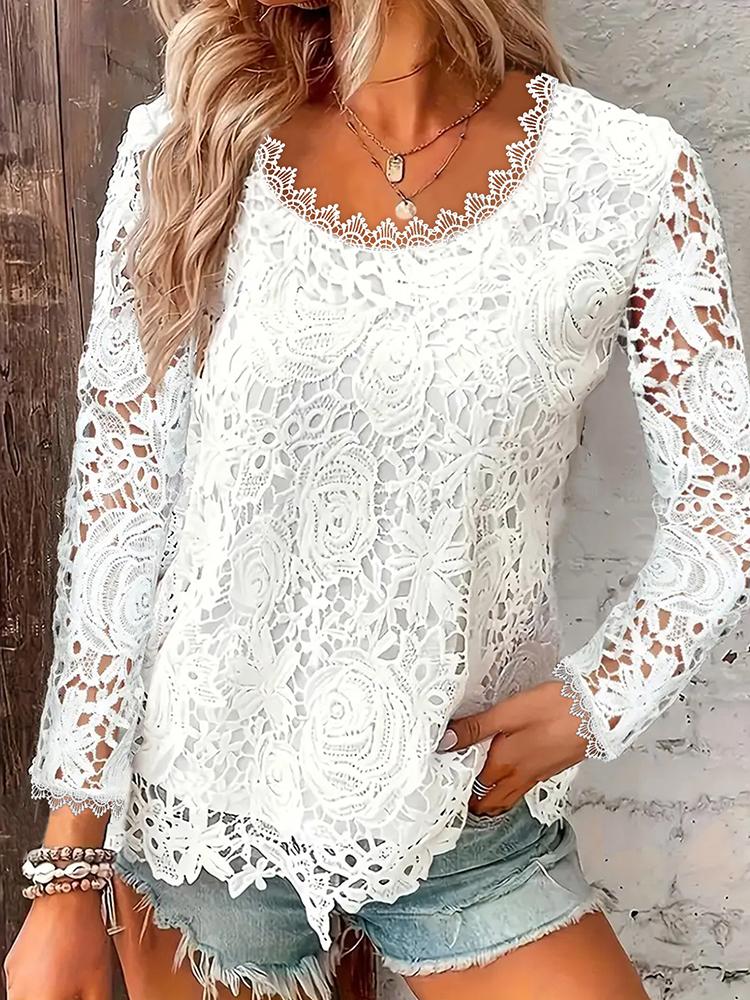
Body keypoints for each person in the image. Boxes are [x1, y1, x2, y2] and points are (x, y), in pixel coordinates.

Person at [6, 0, 750, 998]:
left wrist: (598, 701)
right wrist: (67, 875)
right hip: (204, 826)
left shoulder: (626, 175)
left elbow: (723, 508)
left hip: (464, 813)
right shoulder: (191, 144)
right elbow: (120, 519)